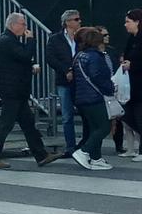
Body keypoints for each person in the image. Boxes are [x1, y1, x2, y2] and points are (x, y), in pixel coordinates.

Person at [0, 13, 61, 169]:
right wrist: (31, 40)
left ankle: (41, 155)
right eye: (23, 24)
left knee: (28, 124)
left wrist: (30, 66)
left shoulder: (9, 41)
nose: (25, 28)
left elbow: (17, 61)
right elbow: (25, 55)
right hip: (12, 90)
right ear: (13, 25)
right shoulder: (7, 41)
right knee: (6, 124)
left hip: (16, 90)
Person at [70, 27, 116, 170]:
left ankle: (96, 158)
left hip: (82, 98)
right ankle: (84, 151)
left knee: (94, 128)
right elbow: (98, 76)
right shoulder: (95, 56)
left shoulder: (79, 56)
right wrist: (110, 87)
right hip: (95, 97)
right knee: (104, 126)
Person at [45, 9, 83, 156]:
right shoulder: (55, 39)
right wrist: (65, 70)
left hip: (81, 80)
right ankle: (70, 146)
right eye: (76, 19)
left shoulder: (83, 37)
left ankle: (85, 144)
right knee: (67, 115)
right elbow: (51, 58)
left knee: (85, 113)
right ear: (67, 22)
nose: (79, 21)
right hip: (64, 81)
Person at [97, 26, 126, 154]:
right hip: (100, 89)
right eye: (104, 35)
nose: (107, 37)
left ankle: (118, 145)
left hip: (114, 86)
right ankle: (95, 147)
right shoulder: (93, 53)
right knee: (101, 119)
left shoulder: (112, 51)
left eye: (107, 34)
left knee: (118, 116)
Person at [120, 8, 142, 162]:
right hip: (130, 86)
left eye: (128, 21)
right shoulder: (132, 39)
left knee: (139, 116)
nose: (125, 25)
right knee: (128, 116)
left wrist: (132, 65)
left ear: (137, 22)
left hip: (139, 85)